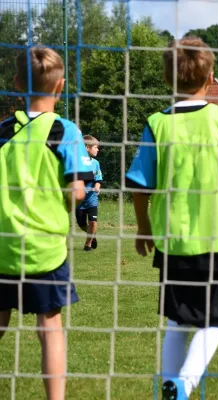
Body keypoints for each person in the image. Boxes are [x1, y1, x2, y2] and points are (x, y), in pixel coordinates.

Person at [125, 36, 218, 400]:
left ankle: (168, 386)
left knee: (177, 320)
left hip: (173, 239)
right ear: (212, 77)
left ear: (167, 80)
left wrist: (144, 227)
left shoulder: (156, 124)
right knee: (213, 322)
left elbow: (140, 187)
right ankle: (183, 384)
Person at [0, 46, 94, 400]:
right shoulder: (63, 129)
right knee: (49, 326)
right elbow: (78, 192)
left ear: (15, 85)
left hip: (3, 244)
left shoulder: (4, 130)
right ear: (60, 87)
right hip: (43, 249)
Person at [75, 135, 103, 251]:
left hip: (92, 199)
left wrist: (97, 186)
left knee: (93, 221)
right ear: (87, 148)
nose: (98, 150)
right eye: (96, 147)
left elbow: (98, 179)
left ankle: (88, 244)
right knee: (82, 224)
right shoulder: (76, 163)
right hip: (79, 201)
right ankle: (92, 235)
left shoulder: (96, 163)